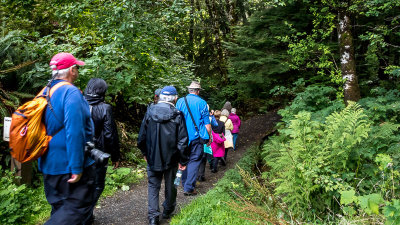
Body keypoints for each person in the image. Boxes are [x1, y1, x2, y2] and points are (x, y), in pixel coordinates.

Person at [39, 52, 95, 225]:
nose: (77, 70)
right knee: (79, 207)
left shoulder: (45, 91)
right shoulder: (70, 92)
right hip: (67, 164)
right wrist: (77, 167)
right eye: (77, 67)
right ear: (72, 70)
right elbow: (74, 132)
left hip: (48, 162)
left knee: (59, 207)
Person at [138, 86, 190, 225]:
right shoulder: (178, 115)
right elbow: (183, 141)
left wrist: (145, 153)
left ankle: (153, 217)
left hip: (152, 157)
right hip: (172, 158)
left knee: (153, 186)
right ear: (175, 98)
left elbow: (141, 137)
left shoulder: (149, 112)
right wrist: (183, 160)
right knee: (171, 185)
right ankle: (167, 210)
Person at [84, 78, 120, 223]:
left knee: (83, 184)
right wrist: (115, 156)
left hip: (80, 151)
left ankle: (86, 213)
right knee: (98, 185)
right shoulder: (105, 108)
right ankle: (86, 214)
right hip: (99, 153)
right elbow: (110, 134)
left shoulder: (79, 103)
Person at [176, 81, 212, 196]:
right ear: (198, 91)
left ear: (189, 90)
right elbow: (207, 124)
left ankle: (184, 182)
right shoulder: (202, 103)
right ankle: (189, 187)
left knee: (183, 159)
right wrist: (209, 137)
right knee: (195, 160)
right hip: (196, 137)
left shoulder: (180, 101)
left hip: (181, 137)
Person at [197, 105, 218, 182]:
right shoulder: (208, 117)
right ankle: (201, 176)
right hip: (206, 140)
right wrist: (212, 116)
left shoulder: (196, 116)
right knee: (203, 158)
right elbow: (215, 125)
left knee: (196, 157)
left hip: (197, 139)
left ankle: (196, 175)